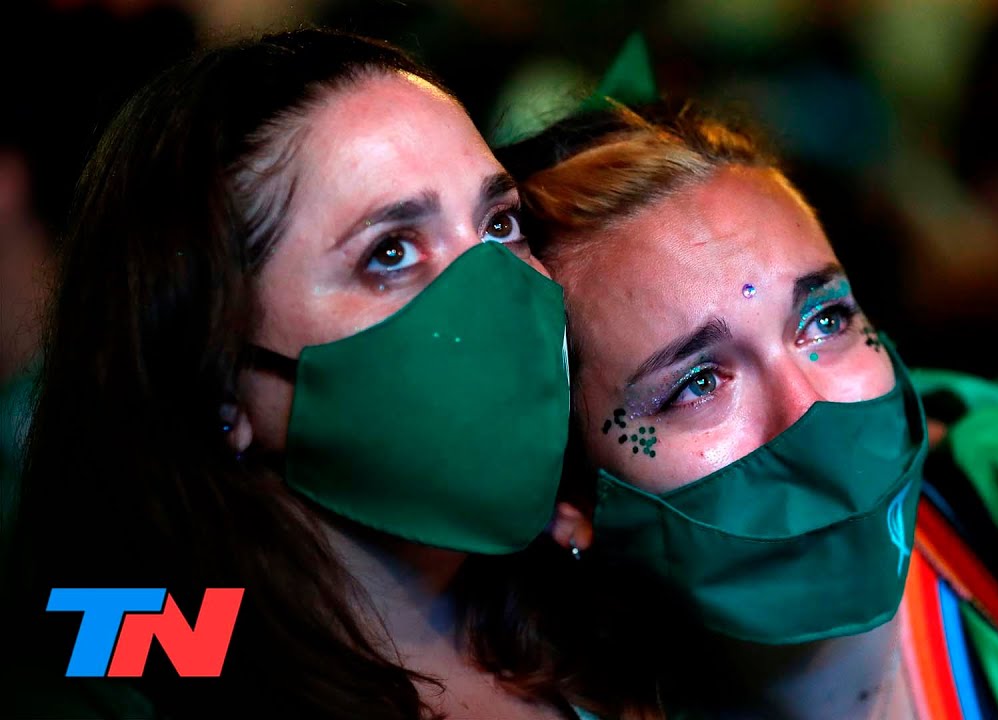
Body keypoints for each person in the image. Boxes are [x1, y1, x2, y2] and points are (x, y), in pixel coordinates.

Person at [490, 103, 998, 719]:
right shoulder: (533, 694)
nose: (811, 416)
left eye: (824, 320)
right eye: (698, 383)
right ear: (570, 504)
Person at [2, 29, 575, 720]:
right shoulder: (131, 675)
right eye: (390, 252)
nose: (500, 294)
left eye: (499, 225)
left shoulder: (605, 606)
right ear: (217, 375)